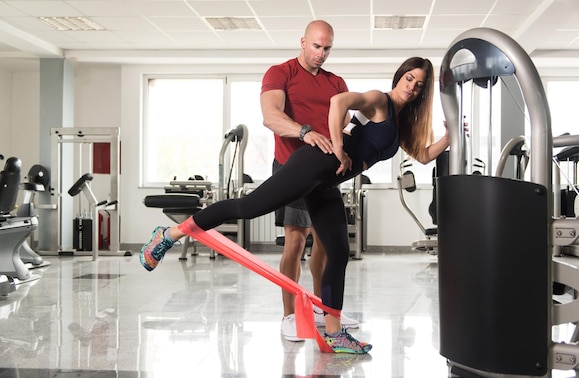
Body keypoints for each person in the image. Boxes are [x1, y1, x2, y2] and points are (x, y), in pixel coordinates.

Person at [139, 56, 450, 354]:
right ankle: (169, 235)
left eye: (420, 84)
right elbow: (338, 102)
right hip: (313, 165)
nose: (412, 86)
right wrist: (339, 149)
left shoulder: (400, 123)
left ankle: (334, 332)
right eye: (409, 78)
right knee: (245, 208)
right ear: (399, 76)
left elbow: (422, 156)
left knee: (339, 252)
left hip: (326, 183)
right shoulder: (378, 100)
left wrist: (450, 136)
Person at [259, 19, 358, 342]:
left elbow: (344, 125)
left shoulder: (337, 83)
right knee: (296, 240)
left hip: (324, 173)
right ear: (303, 42)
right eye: (316, 46)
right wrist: (305, 132)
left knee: (327, 244)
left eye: (327, 48)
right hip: (291, 167)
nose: (321, 54)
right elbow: (271, 116)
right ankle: (289, 315)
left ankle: (320, 306)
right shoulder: (281, 73)